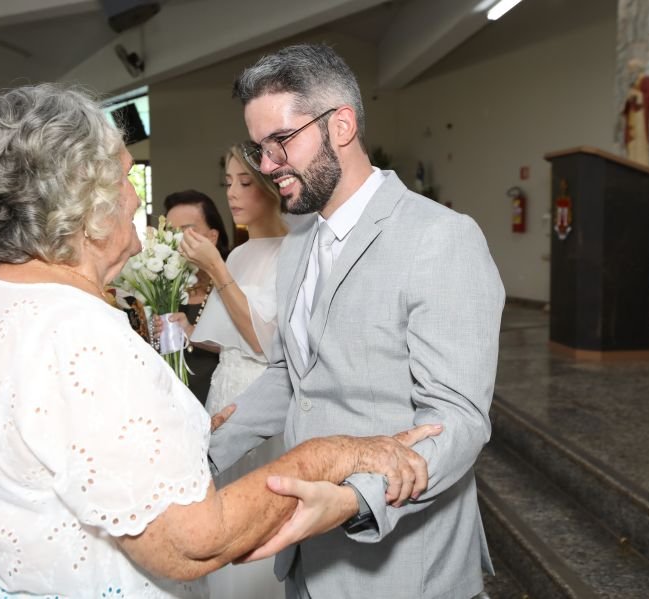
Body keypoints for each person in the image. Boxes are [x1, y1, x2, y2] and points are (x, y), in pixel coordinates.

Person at [0, 82, 442, 599]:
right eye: (126, 176)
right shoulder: (78, 335)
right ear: (84, 202)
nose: (134, 196)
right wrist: (329, 455)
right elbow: (194, 544)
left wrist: (188, 433)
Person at [209, 44, 506, 599]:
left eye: (281, 142)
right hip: (307, 559)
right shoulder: (298, 244)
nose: (267, 165)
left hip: (401, 565)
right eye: (259, 149)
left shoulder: (440, 238)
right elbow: (290, 376)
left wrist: (352, 499)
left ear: (340, 124)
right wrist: (202, 451)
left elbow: (459, 421)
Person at [171, 146, 289, 599]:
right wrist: (187, 333)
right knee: (221, 513)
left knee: (255, 518)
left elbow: (265, 342)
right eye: (227, 183)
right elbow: (233, 337)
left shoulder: (291, 251)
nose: (233, 195)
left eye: (245, 183)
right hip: (225, 391)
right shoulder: (240, 254)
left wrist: (215, 267)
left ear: (271, 186)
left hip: (260, 397)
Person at [162, 189, 230, 404]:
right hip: (172, 401)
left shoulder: (231, 283)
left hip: (218, 399)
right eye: (170, 231)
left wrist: (192, 332)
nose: (176, 240)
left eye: (187, 230)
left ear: (212, 236)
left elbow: (251, 345)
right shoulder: (160, 284)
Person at [622, 58, 649, 166]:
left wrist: (638, 95)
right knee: (632, 142)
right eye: (630, 70)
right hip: (633, 116)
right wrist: (629, 98)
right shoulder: (634, 83)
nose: (630, 73)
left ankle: (640, 163)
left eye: (632, 70)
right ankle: (632, 162)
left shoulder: (646, 80)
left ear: (637, 70)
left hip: (640, 116)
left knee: (640, 141)